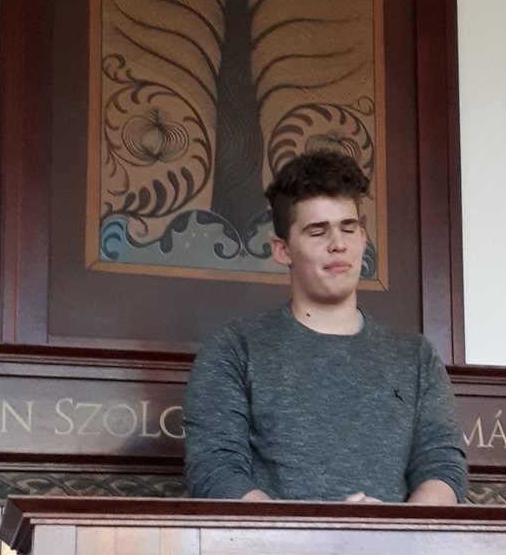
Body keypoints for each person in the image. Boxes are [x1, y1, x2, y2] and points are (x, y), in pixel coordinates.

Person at [183, 149, 467, 504]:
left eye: (348, 228)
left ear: (363, 239)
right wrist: (307, 530)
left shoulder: (416, 356)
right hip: (274, 540)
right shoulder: (234, 349)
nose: (338, 244)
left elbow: (442, 468)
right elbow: (214, 469)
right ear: (282, 250)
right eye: (318, 231)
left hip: (392, 540)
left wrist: (393, 528)